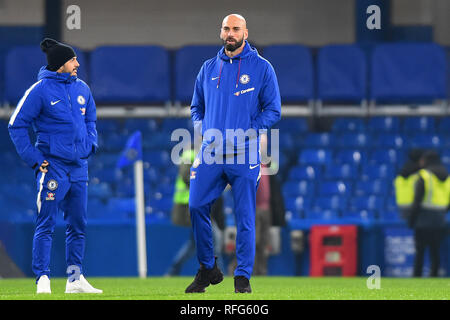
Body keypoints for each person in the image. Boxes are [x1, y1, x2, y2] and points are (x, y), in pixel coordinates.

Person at [185, 14, 281, 293]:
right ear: (221, 32)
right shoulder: (207, 68)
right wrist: (203, 128)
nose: (231, 33)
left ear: (245, 33)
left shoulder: (262, 68)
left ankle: (242, 277)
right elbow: (196, 107)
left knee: (245, 216)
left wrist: (252, 129)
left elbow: (274, 109)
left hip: (244, 153)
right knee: (195, 205)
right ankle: (207, 269)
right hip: (211, 152)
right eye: (226, 28)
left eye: (236, 29)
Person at [8, 38, 102, 294]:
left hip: (78, 168)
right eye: (73, 60)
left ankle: (74, 279)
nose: (77, 63)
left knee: (78, 224)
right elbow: (16, 125)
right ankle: (43, 279)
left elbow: (91, 119)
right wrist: (36, 160)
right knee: (46, 223)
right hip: (54, 168)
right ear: (60, 65)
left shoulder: (82, 88)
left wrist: (90, 144)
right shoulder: (39, 90)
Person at [166, 148, 225, 276]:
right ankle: (217, 272)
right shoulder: (190, 154)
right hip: (192, 207)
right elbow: (186, 177)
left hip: (202, 207)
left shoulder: (208, 156)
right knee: (215, 240)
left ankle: (173, 269)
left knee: (192, 245)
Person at [409, 150, 450, 277]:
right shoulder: (447, 177)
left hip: (423, 220)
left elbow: (417, 200)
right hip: (439, 221)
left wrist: (412, 219)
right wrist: (442, 212)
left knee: (420, 252)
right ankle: (434, 277)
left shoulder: (424, 176)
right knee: (435, 252)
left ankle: (417, 277)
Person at [394, 149, 425, 221]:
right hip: (416, 208)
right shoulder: (421, 174)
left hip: (402, 208)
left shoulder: (400, 175)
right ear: (421, 159)